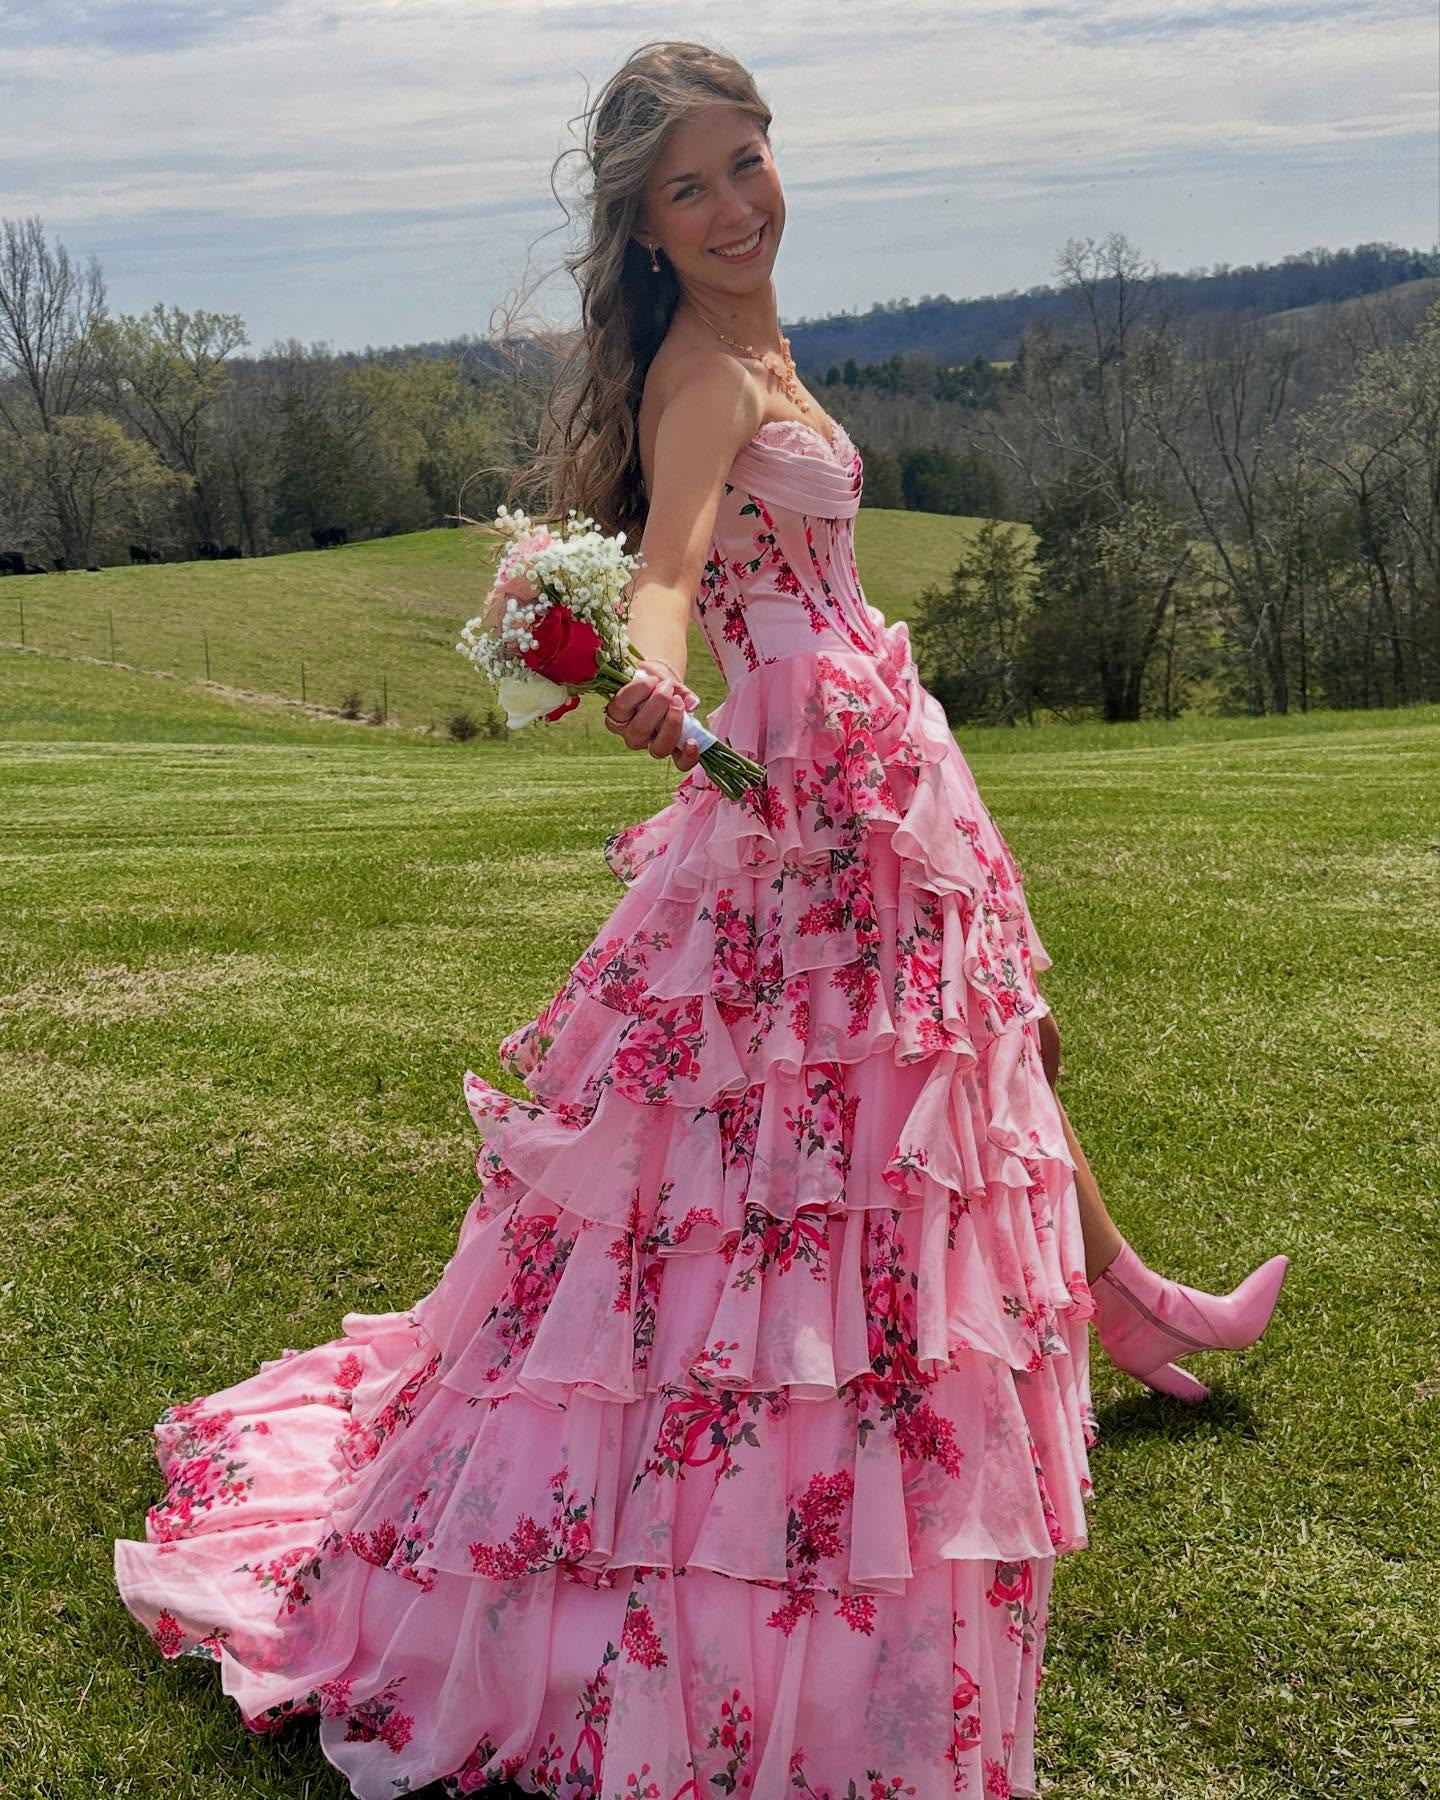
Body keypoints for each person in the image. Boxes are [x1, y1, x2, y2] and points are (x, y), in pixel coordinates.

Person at [113, 39, 1287, 1800]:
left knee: (978, 1048)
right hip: (796, 786)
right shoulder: (699, 376)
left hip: (870, 756)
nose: (739, 205)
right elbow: (667, 569)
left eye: (749, 160)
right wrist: (654, 678)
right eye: (693, 186)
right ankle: (1017, 1364)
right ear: (644, 227)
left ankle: (1126, 1295)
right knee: (810, 1145)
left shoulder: (765, 341)